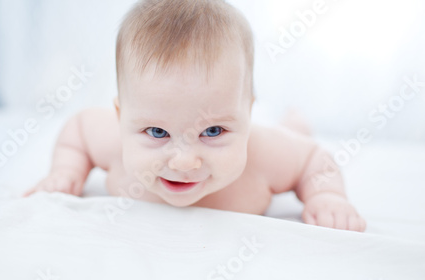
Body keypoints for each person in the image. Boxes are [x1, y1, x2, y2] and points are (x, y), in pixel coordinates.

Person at [24, 0, 366, 232]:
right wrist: (67, 170)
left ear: (246, 114)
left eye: (213, 131)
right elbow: (78, 130)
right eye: (157, 132)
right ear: (120, 116)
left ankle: (293, 121)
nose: (184, 161)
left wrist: (326, 196)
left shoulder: (265, 155)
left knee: (292, 133)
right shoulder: (110, 140)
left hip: (271, 134)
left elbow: (313, 159)